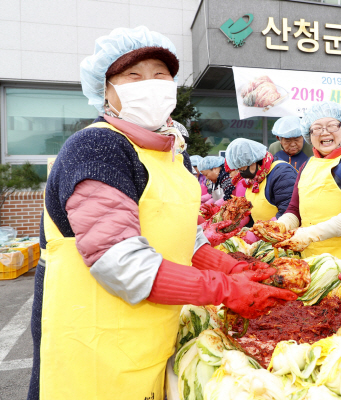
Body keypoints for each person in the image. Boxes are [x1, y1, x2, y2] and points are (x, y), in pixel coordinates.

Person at [28, 27, 297, 400]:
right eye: (132, 76)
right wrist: (225, 288)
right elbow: (119, 261)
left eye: (160, 74)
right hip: (94, 346)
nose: (150, 85)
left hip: (150, 337)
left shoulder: (171, 152)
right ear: (105, 90)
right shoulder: (98, 146)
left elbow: (185, 235)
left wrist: (232, 267)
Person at [275, 101, 341, 261]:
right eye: (317, 128)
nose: (324, 132)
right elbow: (294, 210)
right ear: (309, 134)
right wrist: (279, 226)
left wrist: (309, 234)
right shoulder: (307, 165)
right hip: (314, 261)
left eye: (332, 126)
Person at [224, 138, 297, 223]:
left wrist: (263, 230)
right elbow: (251, 211)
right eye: (239, 170)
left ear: (254, 160)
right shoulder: (253, 179)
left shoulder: (282, 174)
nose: (242, 174)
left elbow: (288, 212)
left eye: (243, 169)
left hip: (283, 233)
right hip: (262, 233)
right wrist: (237, 223)